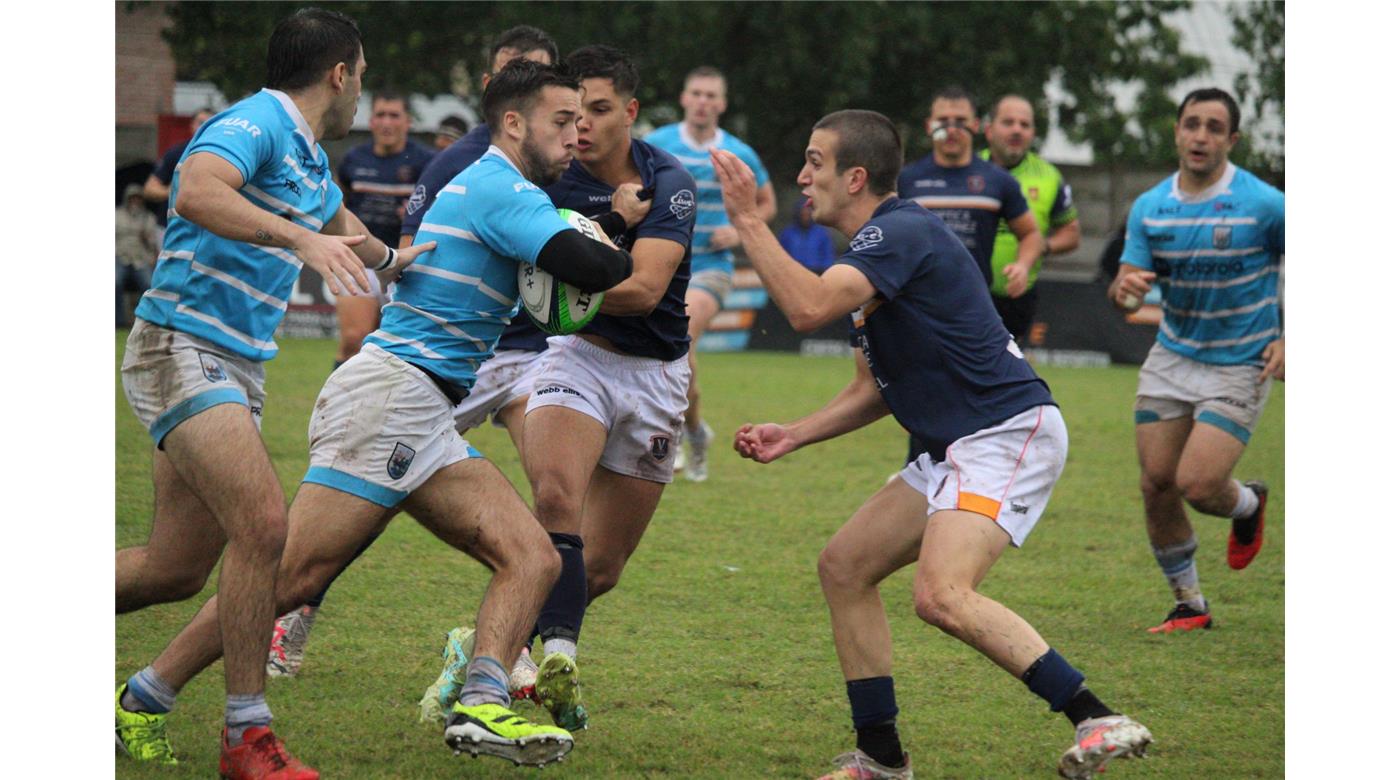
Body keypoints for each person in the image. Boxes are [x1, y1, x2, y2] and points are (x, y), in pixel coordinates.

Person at [122, 59, 632, 770]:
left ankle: (482, 702)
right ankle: (147, 694)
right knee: (292, 576)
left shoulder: (507, 190)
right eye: (562, 121)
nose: (576, 135)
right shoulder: (500, 185)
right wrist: (614, 233)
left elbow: (572, 256)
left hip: (423, 409)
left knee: (533, 557)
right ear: (514, 123)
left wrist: (597, 229)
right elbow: (595, 269)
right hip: (392, 397)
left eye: (583, 122)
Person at [712, 109, 1152, 780]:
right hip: (951, 445)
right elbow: (874, 388)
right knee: (844, 566)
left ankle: (1097, 716)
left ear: (855, 177)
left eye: (815, 162)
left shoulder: (898, 229)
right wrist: (795, 433)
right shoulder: (873, 247)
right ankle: (881, 758)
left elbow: (805, 308)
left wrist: (748, 221)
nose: (802, 176)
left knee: (941, 593)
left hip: (1006, 431)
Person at [114, 9, 437, 777]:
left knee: (174, 568)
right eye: (362, 74)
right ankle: (246, 738)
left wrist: (402, 259)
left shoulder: (310, 158)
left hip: (235, 365)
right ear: (340, 73)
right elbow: (195, 191)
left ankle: (139, 693)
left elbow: (343, 226)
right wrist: (301, 240)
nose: (363, 91)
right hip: (181, 345)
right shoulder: (256, 121)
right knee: (264, 526)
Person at [265, 24, 563, 681]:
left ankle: (514, 654)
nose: (540, 92)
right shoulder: (459, 163)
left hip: (521, 353)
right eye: (519, 71)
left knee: (553, 493)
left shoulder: (561, 157)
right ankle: (290, 613)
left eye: (544, 74)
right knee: (368, 496)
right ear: (496, 93)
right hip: (437, 360)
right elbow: (411, 261)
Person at [522, 44, 697, 731]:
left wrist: (562, 281)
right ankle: (524, 659)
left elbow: (647, 290)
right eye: (573, 111)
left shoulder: (670, 181)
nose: (583, 125)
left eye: (598, 110)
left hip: (656, 377)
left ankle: (501, 651)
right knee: (555, 498)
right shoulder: (548, 176)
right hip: (579, 359)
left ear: (629, 111)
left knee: (600, 568)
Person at [1108, 87, 1283, 634]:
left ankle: (1248, 505)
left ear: (1231, 139)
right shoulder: (1150, 207)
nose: (1200, 136)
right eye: (1192, 124)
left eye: (1213, 127)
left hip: (1241, 359)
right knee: (1156, 482)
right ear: (1178, 131)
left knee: (1200, 485)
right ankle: (1189, 604)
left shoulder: (1265, 204)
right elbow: (1125, 290)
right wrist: (1127, 290)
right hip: (1174, 355)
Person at [896, 86, 1042, 464]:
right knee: (924, 407)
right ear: (930, 126)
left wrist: (1023, 265)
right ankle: (921, 479)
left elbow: (1031, 234)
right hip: (917, 316)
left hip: (971, 316)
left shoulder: (997, 182)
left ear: (977, 126)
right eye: (944, 120)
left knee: (971, 407)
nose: (952, 128)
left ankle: (961, 485)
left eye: (961, 120)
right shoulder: (908, 181)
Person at [645, 66, 775, 482]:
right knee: (680, 355)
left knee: (680, 330)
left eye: (711, 95)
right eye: (696, 93)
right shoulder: (656, 144)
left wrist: (738, 230)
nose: (703, 101)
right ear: (684, 98)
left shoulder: (738, 153)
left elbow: (767, 203)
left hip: (710, 270)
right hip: (660, 265)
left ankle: (675, 436)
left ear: (721, 104)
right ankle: (695, 431)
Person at [331, 90, 435, 368]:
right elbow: (339, 209)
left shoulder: (427, 162)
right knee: (355, 339)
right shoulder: (354, 160)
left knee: (398, 350)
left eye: (394, 115)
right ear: (371, 121)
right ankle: (337, 408)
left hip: (407, 265)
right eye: (380, 115)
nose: (387, 122)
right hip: (359, 259)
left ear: (408, 122)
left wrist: (417, 216)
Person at [982, 94, 1081, 343]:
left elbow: (1071, 233)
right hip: (966, 294)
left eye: (1024, 125)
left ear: (1033, 132)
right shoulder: (968, 170)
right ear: (988, 129)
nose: (1017, 130)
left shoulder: (1048, 177)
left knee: (1007, 376)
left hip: (1018, 299)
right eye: (1008, 122)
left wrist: (1039, 247)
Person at [144, 107, 216, 229]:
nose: (204, 127)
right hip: (171, 226)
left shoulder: (223, 155)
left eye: (210, 124)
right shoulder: (176, 152)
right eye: (201, 123)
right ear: (192, 125)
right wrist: (173, 190)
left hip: (205, 228)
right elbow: (150, 189)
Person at [116, 182, 159, 327]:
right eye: (132, 198)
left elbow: (153, 245)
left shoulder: (148, 218)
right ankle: (118, 321)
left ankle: (146, 322)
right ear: (127, 199)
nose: (135, 201)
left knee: (149, 284)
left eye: (138, 198)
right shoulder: (116, 215)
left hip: (140, 259)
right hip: (120, 257)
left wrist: (146, 240)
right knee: (115, 282)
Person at [778, 198, 836, 273]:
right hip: (793, 273)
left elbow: (828, 257)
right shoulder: (787, 234)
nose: (805, 217)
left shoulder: (822, 233)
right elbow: (781, 257)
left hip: (817, 273)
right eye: (803, 214)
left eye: (808, 214)